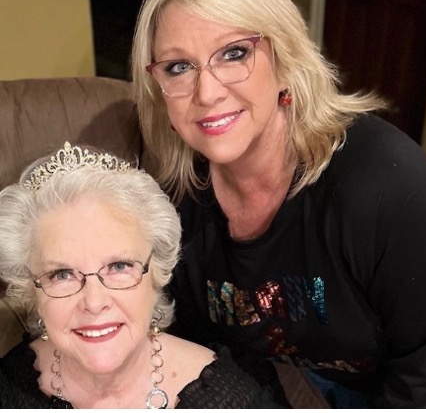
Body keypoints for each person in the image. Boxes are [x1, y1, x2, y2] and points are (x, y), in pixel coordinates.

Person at [131, 0, 426, 408]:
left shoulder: (388, 188)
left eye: (234, 53)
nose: (207, 93)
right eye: (179, 66)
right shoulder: (174, 201)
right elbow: (200, 356)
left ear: (284, 59)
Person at [0, 141, 291, 409]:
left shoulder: (234, 400)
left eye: (119, 267)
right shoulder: (8, 389)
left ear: (156, 276)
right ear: (31, 289)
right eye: (62, 274)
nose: (94, 302)